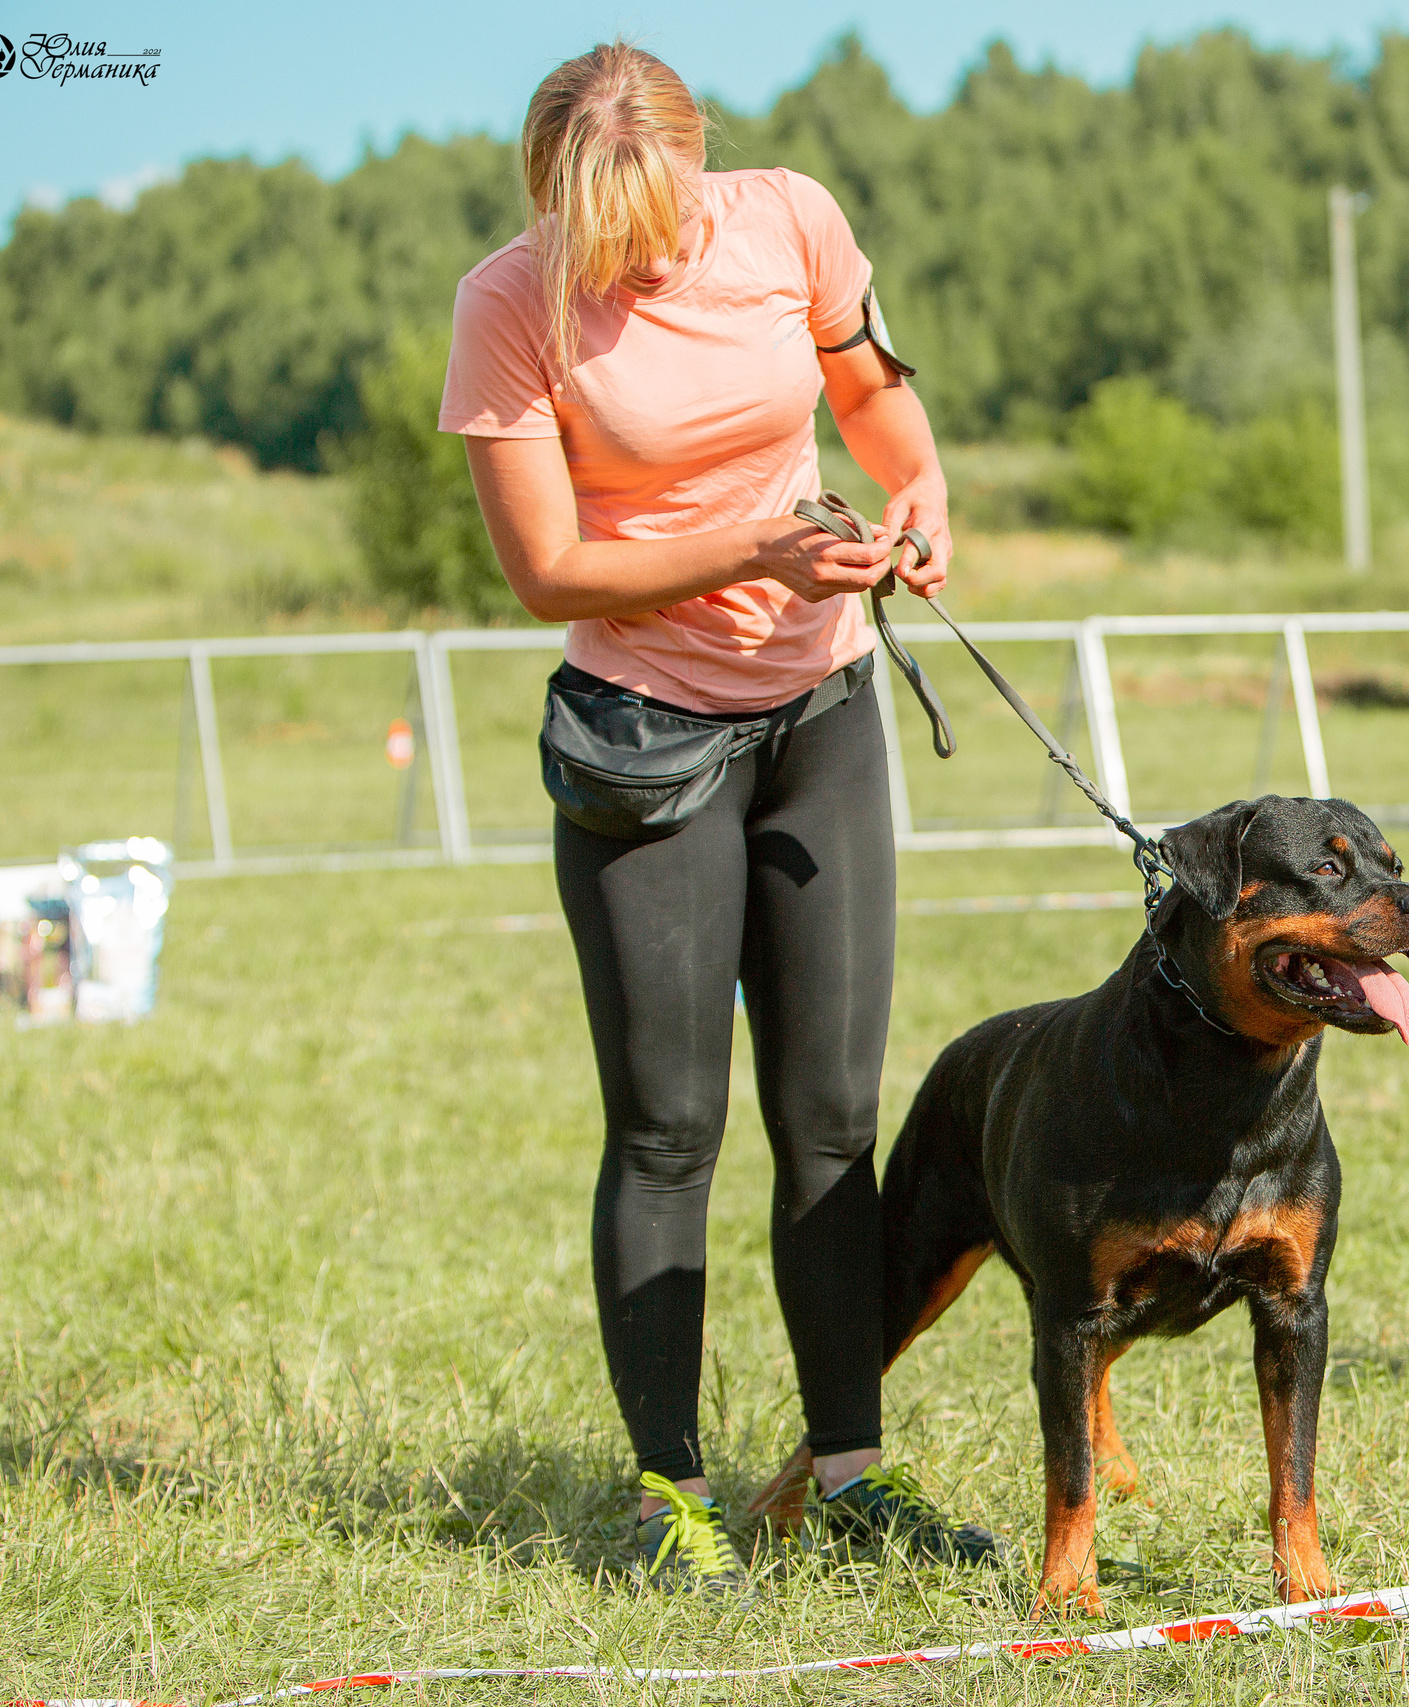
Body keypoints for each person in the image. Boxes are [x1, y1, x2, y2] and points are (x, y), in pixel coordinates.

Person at [439, 41, 997, 1592]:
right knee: (670, 1125)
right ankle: (667, 1495)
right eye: (590, 226)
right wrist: (750, 549)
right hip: (644, 739)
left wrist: (922, 491)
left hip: (819, 711)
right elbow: (547, 570)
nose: (629, 254)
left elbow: (874, 392)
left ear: (701, 164)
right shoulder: (509, 301)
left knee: (830, 1119)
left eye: (652, 215)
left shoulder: (788, 220)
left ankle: (849, 1471)